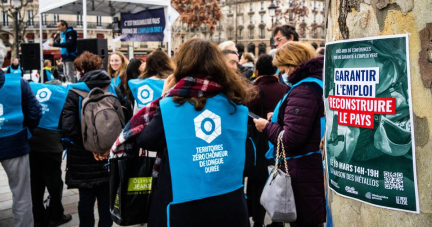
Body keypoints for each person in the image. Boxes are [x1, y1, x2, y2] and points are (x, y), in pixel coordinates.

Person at [111, 38, 251, 227]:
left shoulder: (172, 106)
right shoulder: (237, 104)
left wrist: (164, 96)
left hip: (183, 203)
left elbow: (146, 140)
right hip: (229, 200)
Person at [253, 42, 326, 227]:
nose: (281, 73)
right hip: (310, 167)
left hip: (303, 172)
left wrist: (267, 126)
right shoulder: (315, 84)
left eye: (282, 68)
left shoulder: (303, 89)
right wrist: (279, 118)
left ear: (291, 65)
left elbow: (290, 139)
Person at [61, 51, 127, 227]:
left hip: (83, 156)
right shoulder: (114, 88)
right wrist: (107, 148)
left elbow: (68, 127)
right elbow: (126, 120)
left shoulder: (74, 91)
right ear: (99, 67)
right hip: (110, 154)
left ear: (82, 70)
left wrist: (90, 146)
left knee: (86, 199)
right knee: (107, 197)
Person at [0, 43, 42, 227]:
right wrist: (26, 131)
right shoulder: (18, 82)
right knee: (22, 194)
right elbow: (35, 112)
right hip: (15, 141)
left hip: (15, 139)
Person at [245, 54, 287, 227]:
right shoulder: (285, 89)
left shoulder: (254, 91)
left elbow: (245, 120)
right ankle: (277, 220)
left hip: (259, 146)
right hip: (280, 142)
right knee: (277, 180)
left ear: (257, 71)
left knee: (257, 183)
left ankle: (258, 220)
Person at [28, 80, 72, 227]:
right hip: (52, 143)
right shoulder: (63, 96)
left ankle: (38, 217)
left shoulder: (34, 93)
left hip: (33, 140)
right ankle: (56, 215)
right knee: (54, 181)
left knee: (36, 181)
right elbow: (66, 123)